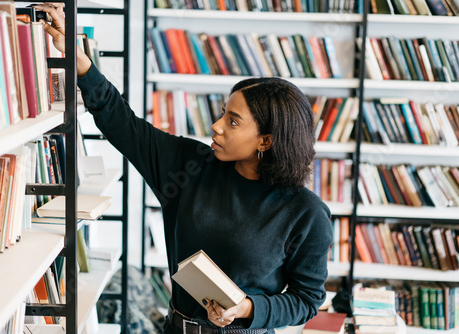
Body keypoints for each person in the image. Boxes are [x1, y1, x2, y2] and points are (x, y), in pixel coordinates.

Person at [34, 4, 333, 334]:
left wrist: (247, 307)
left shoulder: (306, 212)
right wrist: (81, 63)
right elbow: (124, 125)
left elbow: (306, 300)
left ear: (265, 141)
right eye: (222, 113)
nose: (216, 126)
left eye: (232, 122)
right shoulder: (190, 166)